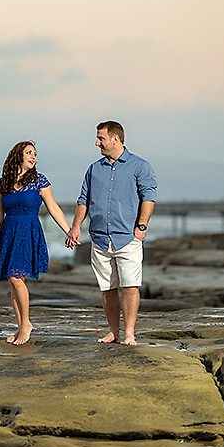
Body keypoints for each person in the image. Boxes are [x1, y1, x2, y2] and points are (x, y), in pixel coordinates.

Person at [65, 121, 157, 346]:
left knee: (130, 286)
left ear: (115, 139)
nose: (97, 143)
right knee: (107, 289)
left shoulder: (139, 166)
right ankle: (113, 332)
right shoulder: (94, 168)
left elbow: (149, 197)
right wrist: (75, 226)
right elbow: (83, 200)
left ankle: (129, 333)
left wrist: (141, 227)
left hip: (128, 237)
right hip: (99, 238)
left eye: (101, 139)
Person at [0, 141, 71, 345]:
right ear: (17, 156)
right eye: (29, 153)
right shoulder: (3, 183)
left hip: (28, 231)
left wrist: (69, 230)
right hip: (8, 234)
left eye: (35, 154)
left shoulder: (39, 181)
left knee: (16, 277)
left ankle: (26, 324)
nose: (33, 157)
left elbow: (53, 208)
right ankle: (20, 328)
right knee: (13, 281)